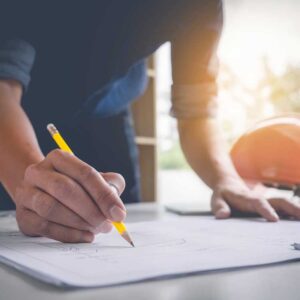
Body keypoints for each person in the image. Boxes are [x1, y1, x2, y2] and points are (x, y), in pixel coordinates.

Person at [0, 0, 299, 243]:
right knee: (29, 223)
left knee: (116, 212)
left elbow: (196, 112)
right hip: (18, 117)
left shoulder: (202, 6)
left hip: (107, 116)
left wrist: (229, 182)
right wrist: (27, 181)